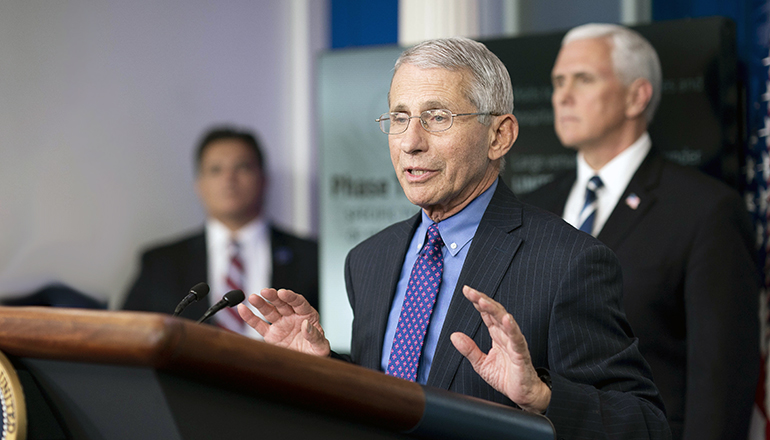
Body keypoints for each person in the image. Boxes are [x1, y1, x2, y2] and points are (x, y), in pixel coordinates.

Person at [239, 37, 670, 438]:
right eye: (399, 117)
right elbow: (388, 390)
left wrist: (542, 397)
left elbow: (645, 423)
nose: (410, 142)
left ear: (499, 136)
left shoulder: (567, 262)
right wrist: (324, 367)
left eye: (437, 117)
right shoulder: (369, 259)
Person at [522, 23, 759, 439]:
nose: (563, 95)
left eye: (584, 79)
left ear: (637, 95)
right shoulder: (533, 207)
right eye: (559, 81)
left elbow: (720, 383)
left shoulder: (706, 211)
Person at [123, 127, 318, 339]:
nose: (229, 179)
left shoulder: (312, 257)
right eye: (216, 170)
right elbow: (125, 338)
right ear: (199, 185)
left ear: (263, 179)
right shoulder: (160, 263)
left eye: (242, 167)